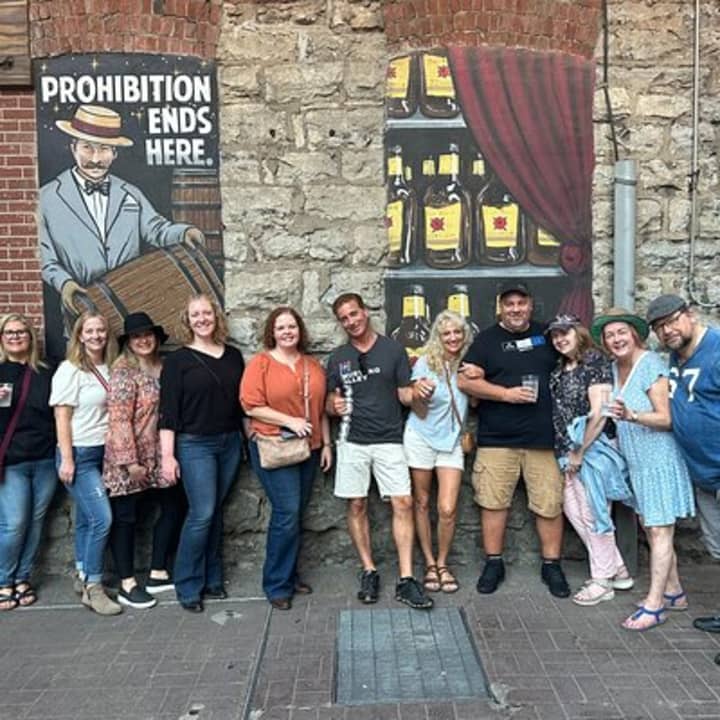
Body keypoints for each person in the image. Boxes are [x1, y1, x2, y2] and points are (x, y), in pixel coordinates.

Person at [38, 104, 204, 358]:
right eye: (87, 147)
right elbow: (44, 257)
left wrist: (183, 233)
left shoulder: (130, 193)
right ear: (73, 147)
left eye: (104, 148)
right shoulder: (47, 198)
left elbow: (156, 229)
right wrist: (65, 283)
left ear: (114, 153)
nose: (96, 158)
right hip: (85, 312)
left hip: (130, 308)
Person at [457, 281, 570, 598]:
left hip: (544, 438)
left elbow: (575, 356)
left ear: (530, 305)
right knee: (493, 503)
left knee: (549, 504)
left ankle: (552, 565)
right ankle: (494, 563)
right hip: (497, 438)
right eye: (509, 304)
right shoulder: (486, 340)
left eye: (521, 303)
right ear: (501, 308)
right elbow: (465, 382)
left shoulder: (548, 334)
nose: (516, 309)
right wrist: (505, 394)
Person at [326, 292, 433, 610]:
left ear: (365, 312)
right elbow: (329, 402)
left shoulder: (392, 349)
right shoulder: (338, 357)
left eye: (354, 314)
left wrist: (418, 392)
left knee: (403, 502)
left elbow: (403, 395)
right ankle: (369, 570)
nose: (351, 321)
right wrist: (333, 406)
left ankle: (406, 578)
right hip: (352, 440)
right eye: (344, 318)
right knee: (357, 504)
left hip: (389, 438)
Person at [591, 307, 695, 631]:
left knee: (660, 531)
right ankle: (674, 592)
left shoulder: (650, 364)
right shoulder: (614, 367)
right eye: (609, 335)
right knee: (652, 529)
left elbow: (666, 418)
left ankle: (655, 605)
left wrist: (632, 416)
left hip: (659, 460)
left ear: (635, 334)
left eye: (621, 332)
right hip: (638, 463)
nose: (616, 339)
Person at [241, 307, 332, 610]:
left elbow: (321, 408)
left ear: (300, 330)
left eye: (292, 326)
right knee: (287, 512)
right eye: (281, 327)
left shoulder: (312, 366)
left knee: (295, 515)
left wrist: (327, 443)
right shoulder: (261, 364)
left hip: (308, 448)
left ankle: (289, 576)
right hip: (275, 446)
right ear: (272, 332)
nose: (287, 332)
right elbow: (251, 405)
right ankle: (277, 584)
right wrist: (289, 421)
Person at [159, 293, 245, 613]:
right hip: (194, 445)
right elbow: (168, 413)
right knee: (202, 512)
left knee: (215, 511)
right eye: (195, 315)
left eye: (206, 313)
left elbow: (241, 404)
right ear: (188, 320)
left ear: (216, 316)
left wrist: (250, 438)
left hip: (230, 442)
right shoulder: (177, 361)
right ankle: (188, 584)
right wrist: (168, 457)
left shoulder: (233, 356)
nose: (202, 319)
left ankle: (213, 577)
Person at [547, 313, 634, 606]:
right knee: (574, 511)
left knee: (593, 514)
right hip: (566, 449)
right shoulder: (562, 367)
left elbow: (600, 413)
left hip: (592, 450)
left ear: (578, 332)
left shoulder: (594, 362)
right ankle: (617, 570)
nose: (560, 339)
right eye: (555, 335)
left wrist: (579, 451)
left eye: (565, 332)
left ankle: (602, 582)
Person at [646, 294, 720, 633]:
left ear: (690, 314)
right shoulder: (676, 357)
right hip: (705, 473)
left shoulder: (716, 350)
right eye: (659, 327)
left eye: (672, 321)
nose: (667, 331)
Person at [103, 312, 185, 610]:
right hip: (130, 457)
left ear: (156, 337)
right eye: (136, 336)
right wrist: (130, 463)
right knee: (125, 518)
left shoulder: (164, 367)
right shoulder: (124, 372)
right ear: (128, 342)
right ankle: (127, 583)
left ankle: (158, 571)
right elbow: (119, 420)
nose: (143, 340)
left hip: (159, 454)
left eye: (147, 334)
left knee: (175, 506)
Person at [50, 311, 121, 615]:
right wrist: (67, 459)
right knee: (102, 519)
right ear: (79, 335)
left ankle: (82, 573)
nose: (96, 336)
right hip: (79, 453)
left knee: (85, 518)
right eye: (89, 331)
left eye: (100, 330)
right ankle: (94, 587)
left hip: (104, 452)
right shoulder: (70, 370)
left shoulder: (110, 366)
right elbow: (61, 416)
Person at [404, 310, 471, 595]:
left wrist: (478, 378)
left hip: (452, 442)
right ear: (438, 337)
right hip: (420, 437)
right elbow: (415, 405)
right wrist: (420, 393)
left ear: (464, 335)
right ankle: (430, 564)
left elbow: (476, 402)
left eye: (457, 332)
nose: (452, 338)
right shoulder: (424, 363)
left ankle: (443, 563)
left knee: (447, 508)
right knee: (421, 502)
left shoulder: (469, 363)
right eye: (446, 334)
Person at [0, 314, 57, 611]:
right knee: (14, 523)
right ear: (1, 338)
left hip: (45, 458)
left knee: (35, 522)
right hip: (11, 461)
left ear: (31, 336)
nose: (15, 337)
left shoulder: (47, 371)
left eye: (21, 331)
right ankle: (3, 581)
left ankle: (22, 578)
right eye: (9, 332)